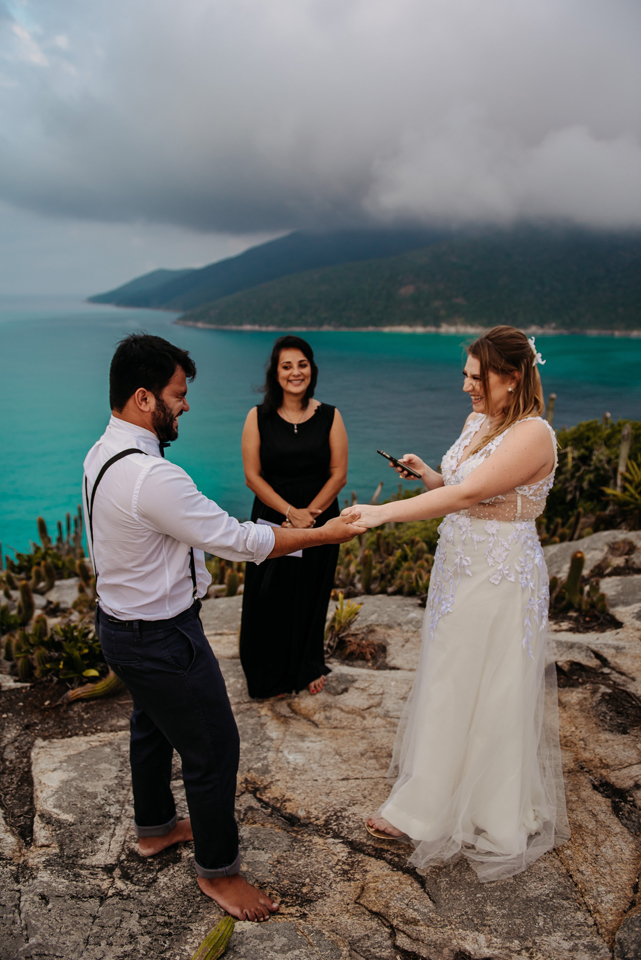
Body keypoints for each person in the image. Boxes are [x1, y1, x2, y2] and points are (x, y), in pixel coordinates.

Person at [84, 333, 361, 921]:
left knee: (152, 726)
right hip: (163, 637)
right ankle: (219, 872)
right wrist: (321, 535)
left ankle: (156, 827)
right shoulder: (152, 478)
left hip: (120, 626)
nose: (185, 405)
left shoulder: (101, 454)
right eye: (177, 395)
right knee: (214, 747)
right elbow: (240, 539)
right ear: (143, 398)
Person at [346, 325, 570, 881]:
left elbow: (471, 496)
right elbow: (463, 486)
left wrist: (380, 513)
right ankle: (433, 794)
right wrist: (427, 477)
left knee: (486, 682)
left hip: (499, 571)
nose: (465, 386)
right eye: (466, 374)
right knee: (449, 674)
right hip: (460, 564)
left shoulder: (534, 434)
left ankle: (471, 808)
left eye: (477, 377)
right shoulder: (481, 421)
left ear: (512, 377)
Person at [239, 335, 348, 698]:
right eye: (287, 366)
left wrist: (309, 515)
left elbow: (338, 473)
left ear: (311, 369)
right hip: (273, 517)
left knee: (310, 592)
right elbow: (252, 475)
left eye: (301, 364)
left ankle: (307, 665)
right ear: (276, 372)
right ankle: (266, 674)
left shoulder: (331, 416)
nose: (295, 372)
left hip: (320, 517)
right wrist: (289, 513)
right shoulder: (258, 417)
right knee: (267, 595)